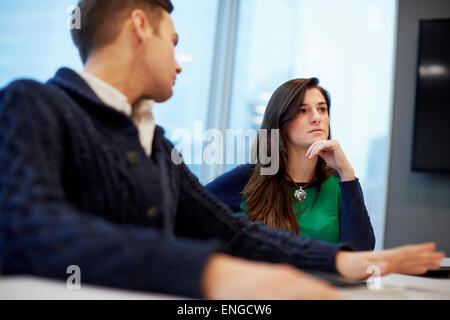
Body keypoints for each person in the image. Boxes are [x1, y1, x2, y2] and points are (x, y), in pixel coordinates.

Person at [0, 0, 444, 300]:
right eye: (173, 43)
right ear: (139, 26)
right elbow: (30, 230)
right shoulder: (33, 103)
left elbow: (234, 234)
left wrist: (344, 261)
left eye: (322, 109)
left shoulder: (156, 147)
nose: (178, 63)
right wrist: (215, 273)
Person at [206, 78, 375, 251]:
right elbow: (190, 210)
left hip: (320, 278)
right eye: (302, 110)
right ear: (281, 122)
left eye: (322, 109)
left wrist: (347, 172)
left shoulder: (342, 184)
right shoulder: (248, 178)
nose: (317, 118)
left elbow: (361, 254)